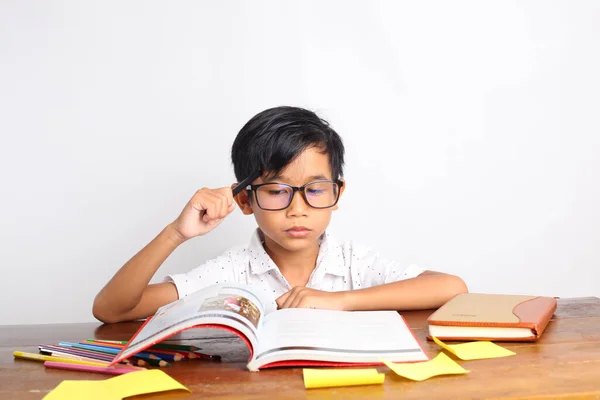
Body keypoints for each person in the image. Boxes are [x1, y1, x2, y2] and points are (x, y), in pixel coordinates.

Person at [93, 106, 468, 323]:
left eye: (316, 189)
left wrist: (336, 300)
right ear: (245, 201)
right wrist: (176, 233)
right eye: (276, 191)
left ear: (337, 195)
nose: (298, 209)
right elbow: (111, 309)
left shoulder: (352, 263)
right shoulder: (231, 271)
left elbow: (452, 287)